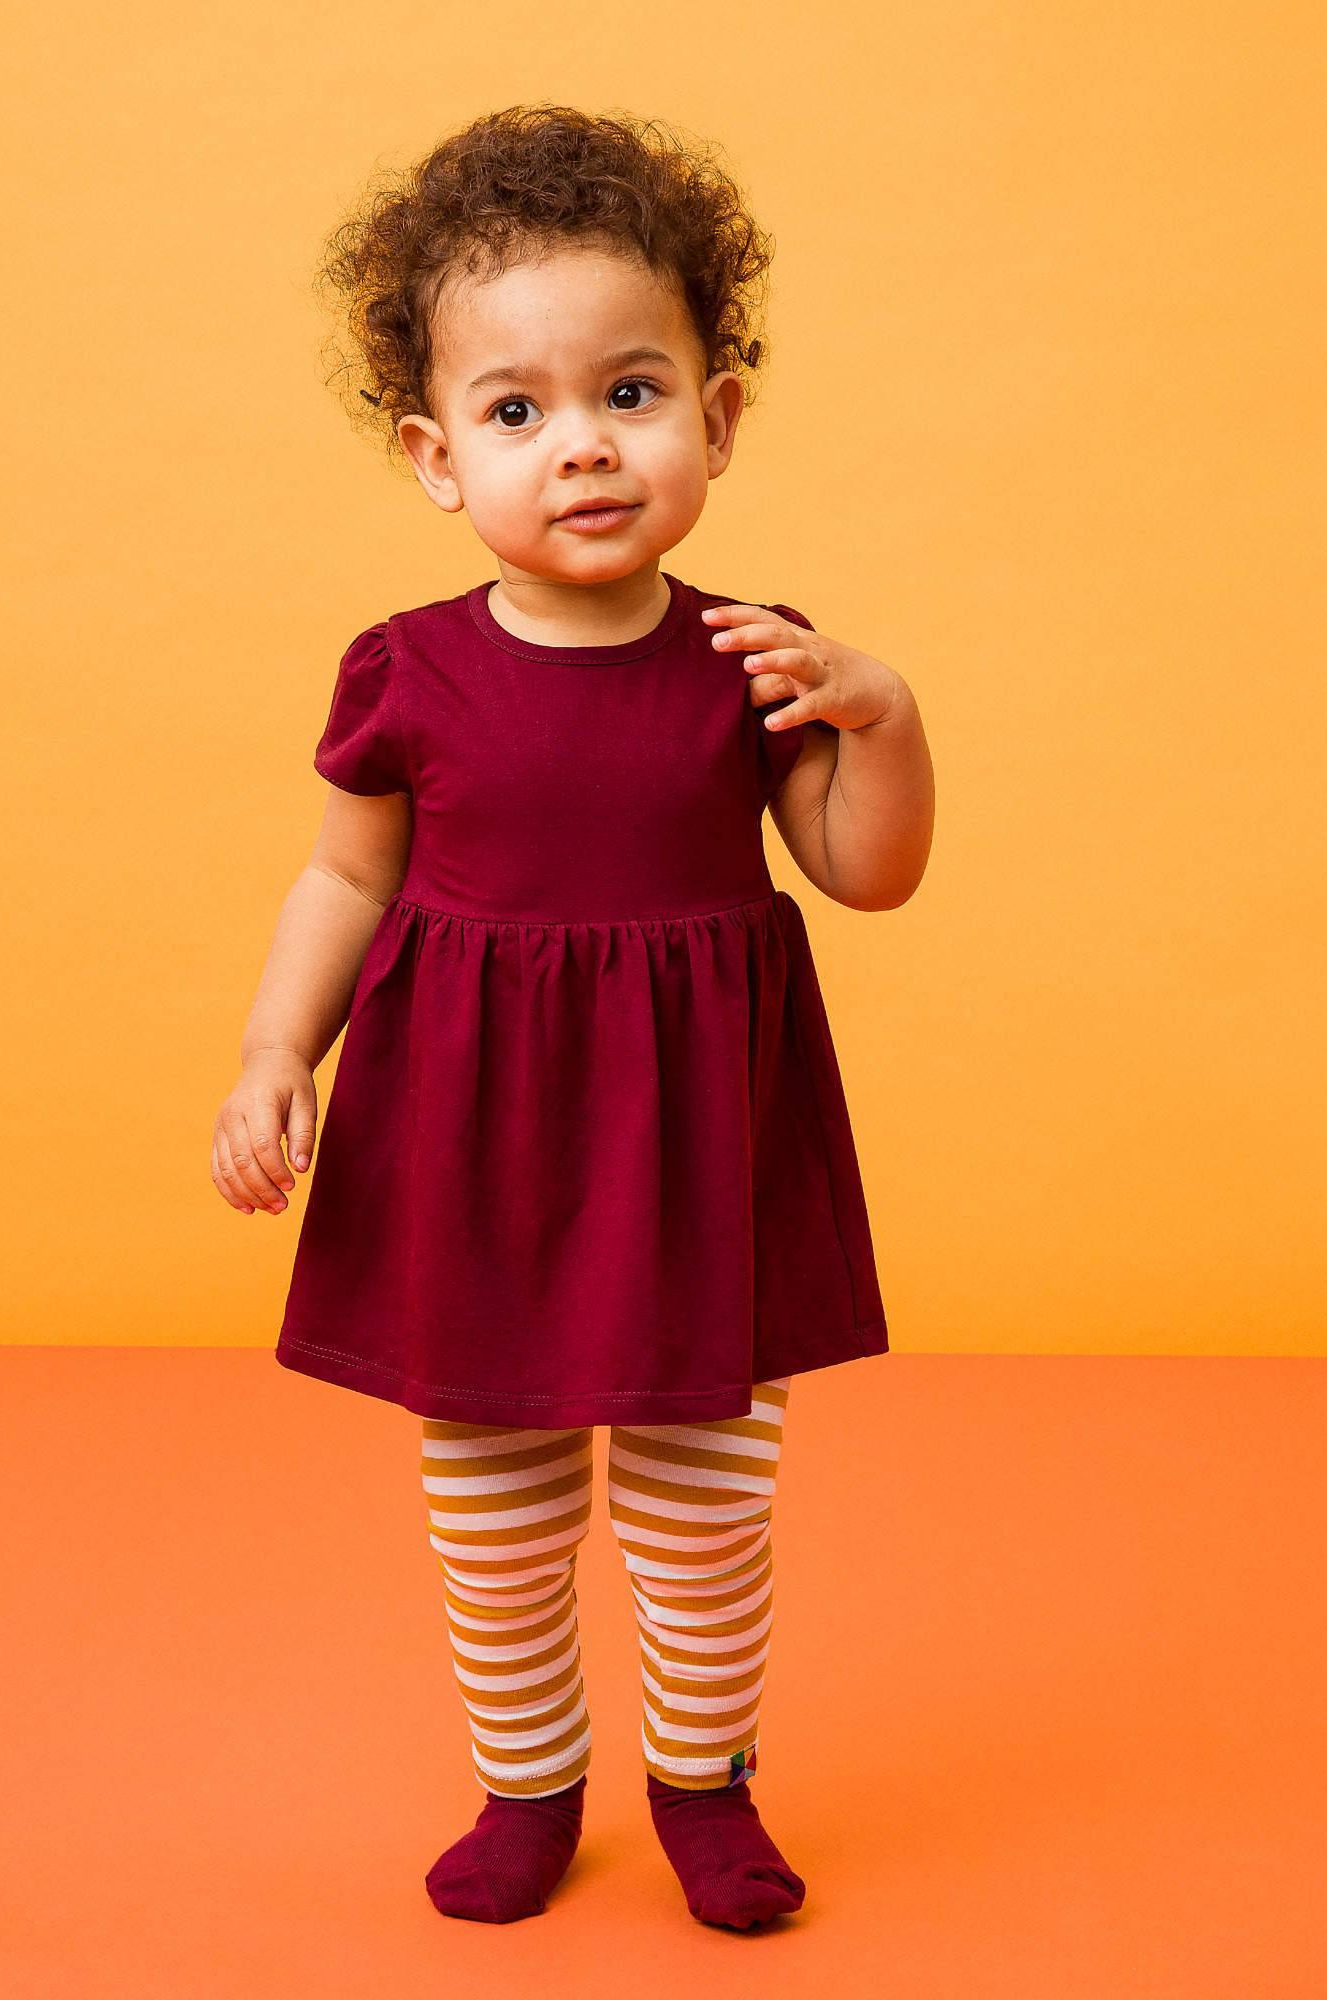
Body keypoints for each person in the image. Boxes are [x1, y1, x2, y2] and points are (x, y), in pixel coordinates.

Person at [212, 103, 934, 1930]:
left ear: (719, 416)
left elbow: (866, 874)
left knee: (706, 1516)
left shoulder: (752, 659)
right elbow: (346, 884)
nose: (585, 448)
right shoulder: (410, 672)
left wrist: (887, 720)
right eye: (518, 410)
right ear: (436, 454)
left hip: (695, 1151)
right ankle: (529, 1785)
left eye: (633, 391)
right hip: (472, 1148)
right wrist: (274, 1056)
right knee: (502, 1516)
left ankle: (706, 1786)